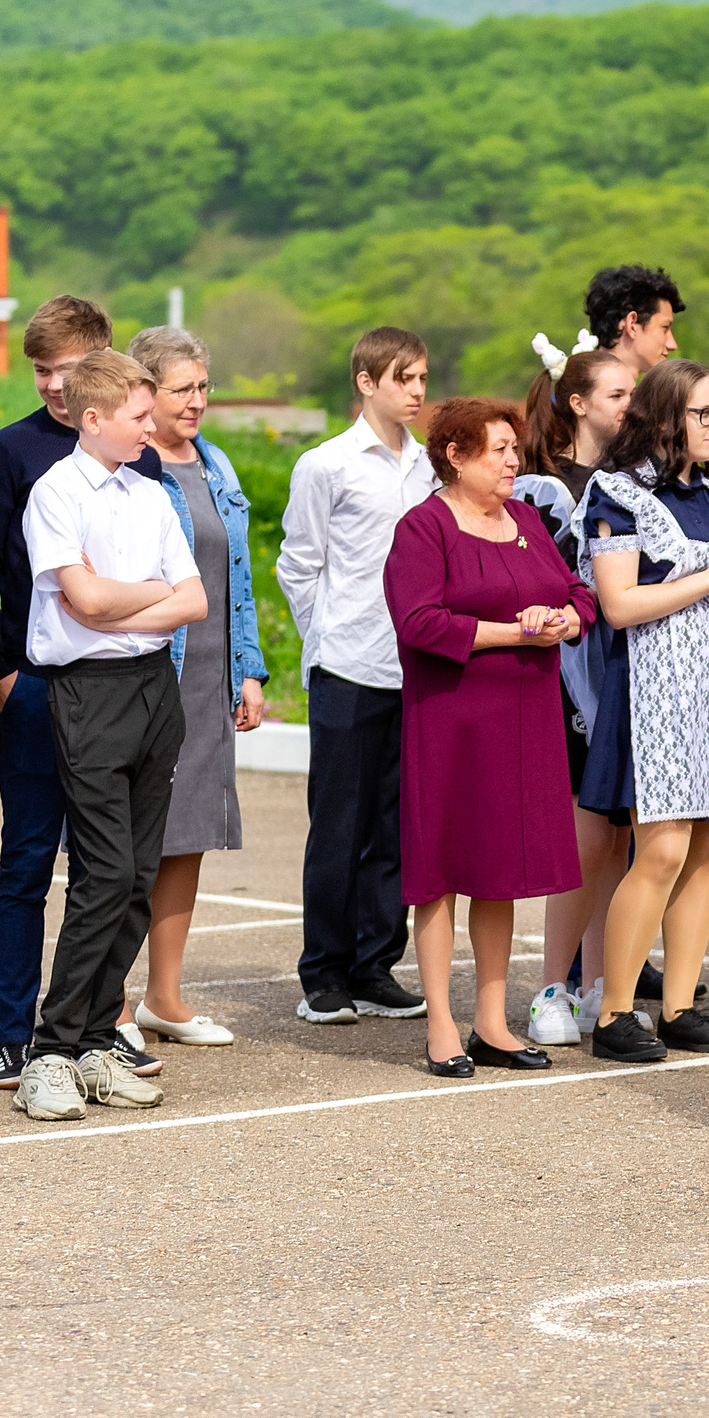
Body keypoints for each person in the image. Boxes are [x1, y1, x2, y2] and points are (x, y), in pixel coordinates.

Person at [0, 296, 169, 1088]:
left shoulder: (140, 457)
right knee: (27, 860)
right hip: (36, 685)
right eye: (40, 370)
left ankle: (99, 1024)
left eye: (66, 369)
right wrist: (3, 672)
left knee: (111, 868)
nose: (53, 384)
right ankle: (14, 1033)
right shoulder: (8, 451)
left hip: (121, 684)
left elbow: (165, 577)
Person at [11, 350, 205, 1121]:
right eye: (138, 414)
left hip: (154, 687)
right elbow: (82, 602)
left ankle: (96, 1040)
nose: (151, 425)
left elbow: (191, 600)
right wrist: (144, 594)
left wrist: (125, 598)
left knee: (137, 876)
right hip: (87, 691)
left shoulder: (150, 493)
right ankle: (51, 1051)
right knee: (103, 872)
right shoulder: (55, 493)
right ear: (93, 418)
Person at [388, 398, 596, 1075]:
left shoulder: (528, 519)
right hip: (453, 721)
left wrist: (564, 619)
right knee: (442, 873)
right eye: (498, 449)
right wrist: (516, 632)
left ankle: (491, 1021)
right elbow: (418, 621)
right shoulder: (424, 527)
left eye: (514, 448)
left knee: (498, 872)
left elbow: (578, 591)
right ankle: (441, 1025)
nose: (514, 461)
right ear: (455, 455)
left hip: (524, 721)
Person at [579, 358, 709, 1062]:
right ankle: (614, 1013)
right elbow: (618, 605)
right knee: (661, 846)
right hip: (654, 680)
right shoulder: (617, 491)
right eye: (703, 413)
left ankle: (681, 1006)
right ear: (665, 417)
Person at [277, 328, 434, 1026]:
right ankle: (324, 972)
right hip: (347, 665)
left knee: (398, 827)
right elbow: (299, 564)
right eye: (404, 378)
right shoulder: (326, 465)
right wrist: (325, 639)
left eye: (423, 377)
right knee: (338, 824)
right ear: (367, 382)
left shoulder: (430, 468)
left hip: (416, 667)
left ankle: (375, 966)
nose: (418, 391)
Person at [123, 327, 269, 1050]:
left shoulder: (216, 465)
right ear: (146, 391)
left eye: (204, 386)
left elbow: (236, 577)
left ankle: (165, 997)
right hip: (152, 672)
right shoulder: (131, 468)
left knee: (189, 840)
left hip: (210, 674)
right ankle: (106, 1001)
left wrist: (250, 668)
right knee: (132, 840)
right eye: (183, 388)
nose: (198, 401)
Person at [514, 337, 632, 1045]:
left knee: (617, 834)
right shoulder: (546, 487)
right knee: (586, 831)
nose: (630, 406)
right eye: (617, 394)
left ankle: (598, 985)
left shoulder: (630, 478)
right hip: (573, 671)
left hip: (624, 662)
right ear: (579, 402)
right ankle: (550, 987)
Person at [585, 265, 683, 380]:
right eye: (665, 328)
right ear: (632, 325)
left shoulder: (574, 384)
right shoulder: (574, 387)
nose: (672, 345)